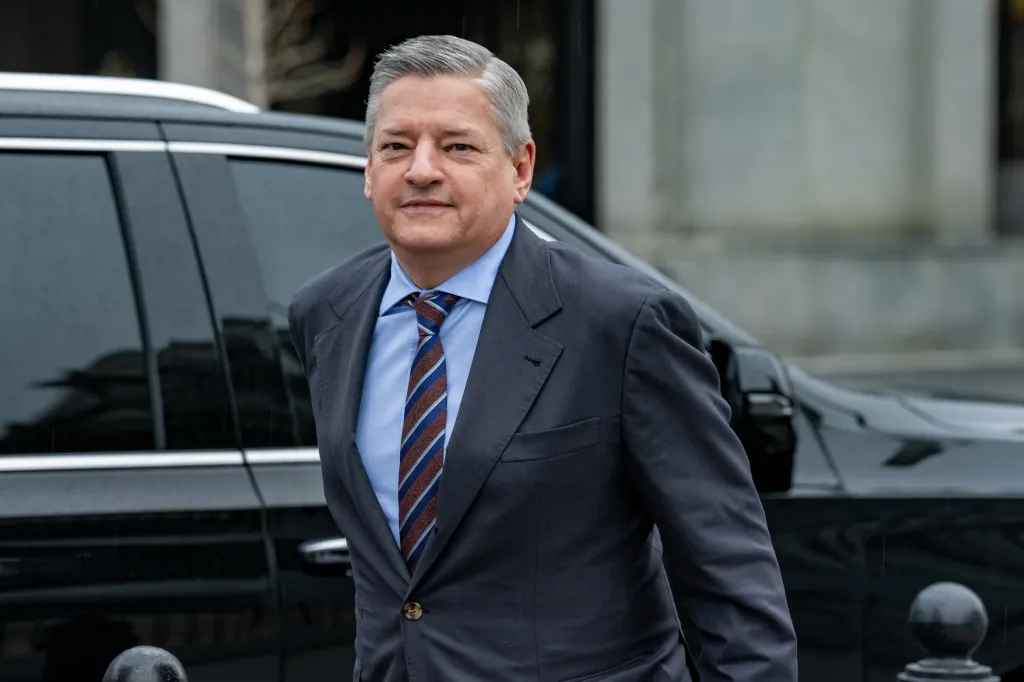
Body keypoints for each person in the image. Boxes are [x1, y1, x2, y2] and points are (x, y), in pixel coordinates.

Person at [288, 34, 798, 682]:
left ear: (521, 168)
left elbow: (730, 578)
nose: (420, 170)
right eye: (395, 146)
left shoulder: (623, 323)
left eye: (457, 146)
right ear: (368, 170)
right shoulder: (326, 313)